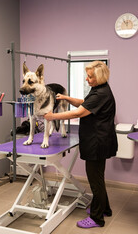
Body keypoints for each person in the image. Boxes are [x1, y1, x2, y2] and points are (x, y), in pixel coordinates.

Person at [44, 60, 118, 229]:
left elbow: (78, 113)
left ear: (99, 77)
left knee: (95, 180)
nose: (87, 79)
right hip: (100, 140)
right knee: (98, 178)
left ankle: (97, 218)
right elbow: (83, 103)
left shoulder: (100, 94)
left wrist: (52, 117)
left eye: (90, 77)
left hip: (97, 142)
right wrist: (65, 98)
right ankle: (105, 209)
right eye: (87, 75)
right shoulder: (99, 89)